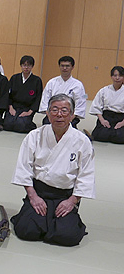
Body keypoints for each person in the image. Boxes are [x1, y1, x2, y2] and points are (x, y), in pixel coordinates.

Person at [10, 94, 94, 246]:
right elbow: (23, 168)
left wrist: (72, 201)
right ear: (47, 113)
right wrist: (33, 196)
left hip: (65, 196)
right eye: (54, 110)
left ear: (72, 115)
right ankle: (34, 214)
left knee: (67, 236)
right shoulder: (34, 136)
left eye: (64, 110)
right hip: (39, 192)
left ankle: (61, 221)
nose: (59, 115)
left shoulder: (82, 141)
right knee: (27, 231)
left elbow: (85, 176)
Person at [39, 56, 86, 128]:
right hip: (53, 115)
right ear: (59, 67)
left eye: (67, 66)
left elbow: (80, 104)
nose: (64, 68)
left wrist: (70, 118)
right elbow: (45, 101)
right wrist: (50, 116)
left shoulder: (78, 85)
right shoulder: (52, 82)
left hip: (69, 115)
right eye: (62, 66)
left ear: (72, 67)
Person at [3, 55, 43, 133]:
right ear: (21, 66)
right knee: (8, 124)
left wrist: (30, 112)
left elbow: (38, 98)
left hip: (27, 108)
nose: (26, 68)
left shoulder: (37, 80)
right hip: (14, 107)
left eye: (28, 65)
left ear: (32, 66)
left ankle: (31, 124)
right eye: (24, 65)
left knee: (21, 125)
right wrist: (10, 107)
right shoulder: (14, 78)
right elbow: (8, 95)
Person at [90, 66, 124, 143]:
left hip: (121, 117)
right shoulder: (104, 90)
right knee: (100, 136)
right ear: (111, 77)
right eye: (115, 75)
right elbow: (96, 107)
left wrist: (122, 123)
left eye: (120, 76)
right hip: (106, 116)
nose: (117, 78)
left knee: (119, 137)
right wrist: (102, 120)